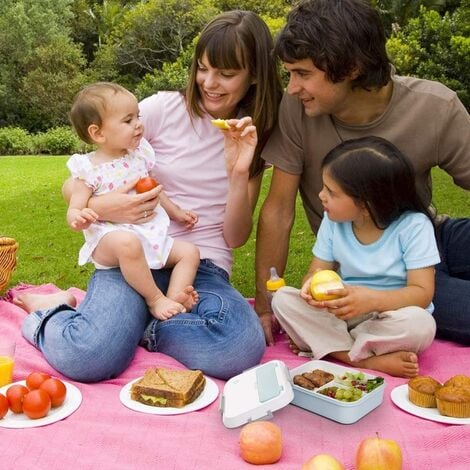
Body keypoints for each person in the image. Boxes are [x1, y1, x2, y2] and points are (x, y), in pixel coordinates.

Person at [14, 10, 283, 382]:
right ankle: (52, 312)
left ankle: (139, 324)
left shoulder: (253, 135)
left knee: (238, 346)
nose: (209, 82)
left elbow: (235, 237)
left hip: (199, 265)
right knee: (89, 357)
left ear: (254, 75)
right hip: (132, 255)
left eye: (226, 73)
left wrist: (238, 173)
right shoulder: (161, 108)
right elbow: (78, 179)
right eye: (203, 68)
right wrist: (100, 206)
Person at [255, 0, 470, 347]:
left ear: (351, 67)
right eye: (290, 73)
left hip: (427, 235)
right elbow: (278, 210)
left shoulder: (435, 107)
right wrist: (265, 306)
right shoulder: (297, 110)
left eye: (303, 74)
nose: (292, 87)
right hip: (377, 276)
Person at [272, 136, 440, 378]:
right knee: (283, 299)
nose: (321, 195)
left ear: (366, 202)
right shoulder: (333, 221)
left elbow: (422, 293)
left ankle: (328, 346)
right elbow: (316, 271)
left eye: (331, 191)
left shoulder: (413, 226)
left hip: (391, 315)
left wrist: (372, 300)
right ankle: (364, 360)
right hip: (342, 312)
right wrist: (310, 288)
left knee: (421, 325)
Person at [66, 82, 200, 320]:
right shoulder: (88, 168)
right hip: (109, 240)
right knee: (127, 243)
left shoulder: (138, 157)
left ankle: (176, 296)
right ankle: (155, 299)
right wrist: (78, 217)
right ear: (98, 133)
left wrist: (176, 212)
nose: (138, 124)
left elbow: (153, 191)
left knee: (189, 252)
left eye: (137, 116)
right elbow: (75, 206)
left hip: (146, 235)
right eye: (128, 121)